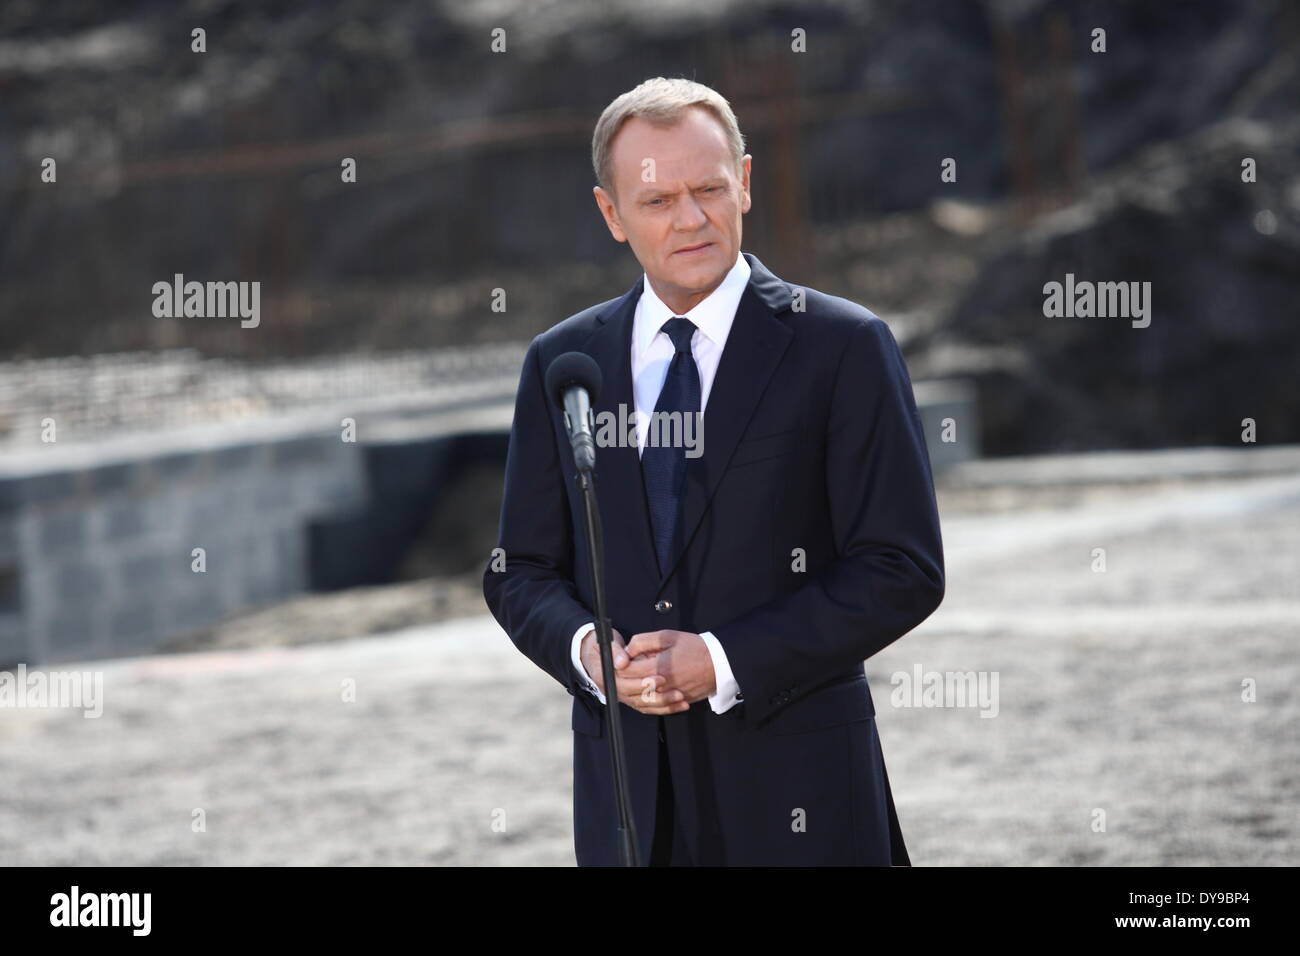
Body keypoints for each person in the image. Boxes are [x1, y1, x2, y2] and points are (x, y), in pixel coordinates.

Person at [483, 76, 944, 866]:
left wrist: (723, 660)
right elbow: (518, 570)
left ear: (747, 183)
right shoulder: (563, 363)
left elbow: (901, 567)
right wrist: (590, 654)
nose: (691, 218)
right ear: (611, 215)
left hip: (803, 793)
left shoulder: (843, 347)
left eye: (709, 189)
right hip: (628, 805)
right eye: (659, 202)